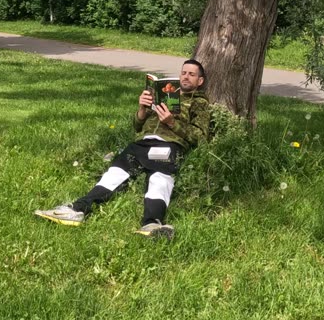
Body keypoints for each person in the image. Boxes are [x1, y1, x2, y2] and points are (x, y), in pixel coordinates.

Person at [34, 58, 212, 239]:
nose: (186, 77)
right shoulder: (165, 94)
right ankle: (77, 209)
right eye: (184, 73)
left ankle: (152, 223)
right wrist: (142, 109)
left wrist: (172, 123)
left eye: (192, 74)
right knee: (114, 174)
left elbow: (200, 137)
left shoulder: (199, 103)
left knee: (159, 179)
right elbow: (137, 126)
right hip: (141, 143)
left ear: (200, 81)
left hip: (168, 145)